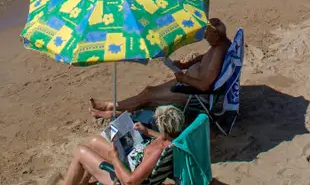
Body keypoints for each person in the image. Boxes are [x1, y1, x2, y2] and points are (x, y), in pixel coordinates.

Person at [89, 20, 231, 119]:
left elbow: (204, 85)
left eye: (207, 33)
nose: (204, 35)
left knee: (148, 96)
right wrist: (186, 64)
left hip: (193, 93)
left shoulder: (219, 52)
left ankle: (111, 108)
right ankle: (114, 107)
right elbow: (205, 57)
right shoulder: (220, 45)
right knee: (148, 92)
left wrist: (183, 78)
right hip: (189, 84)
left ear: (216, 35)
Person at [63, 103, 184, 185]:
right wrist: (146, 131)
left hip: (121, 176)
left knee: (80, 152)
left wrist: (114, 158)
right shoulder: (177, 140)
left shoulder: (156, 151)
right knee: (94, 142)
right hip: (131, 160)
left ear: (161, 125)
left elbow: (130, 182)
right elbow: (165, 137)